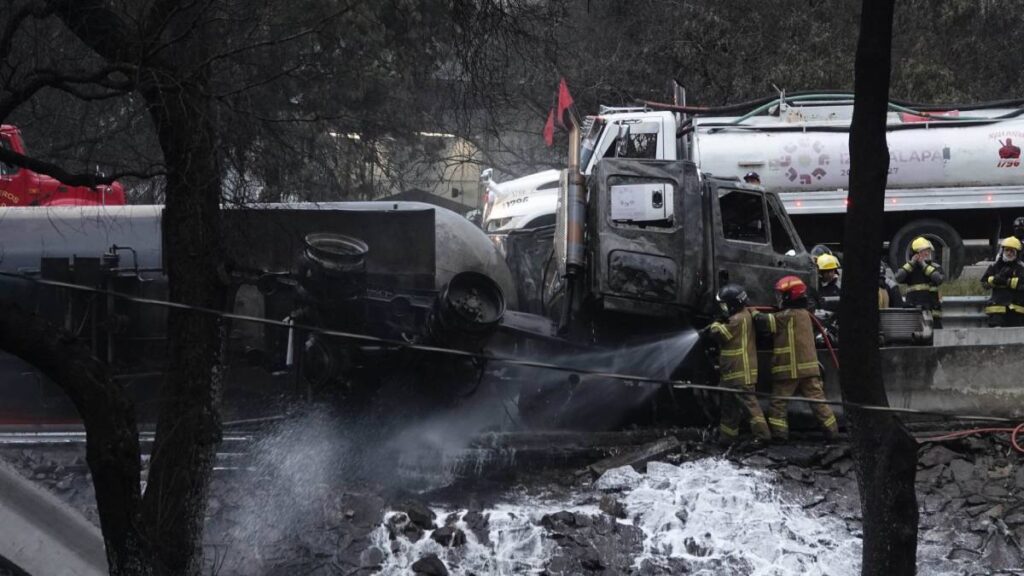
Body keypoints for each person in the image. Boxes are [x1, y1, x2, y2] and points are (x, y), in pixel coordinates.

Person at [760, 276, 839, 441]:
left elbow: (766, 322)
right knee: (818, 402)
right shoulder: (805, 314)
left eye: (782, 295)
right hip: (809, 368)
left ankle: (780, 436)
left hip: (789, 369)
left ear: (790, 296)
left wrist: (751, 313)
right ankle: (833, 433)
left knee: (778, 404)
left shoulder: (785, 316)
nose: (779, 298)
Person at [702, 284, 771, 446]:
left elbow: (720, 334)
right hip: (731, 374)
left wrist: (714, 325)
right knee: (729, 409)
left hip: (741, 372)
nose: (724, 308)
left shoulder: (738, 319)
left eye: (725, 305)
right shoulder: (744, 315)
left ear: (734, 304)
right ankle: (727, 438)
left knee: (750, 406)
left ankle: (763, 436)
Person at [894, 237, 944, 328]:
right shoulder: (909, 268)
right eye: (925, 250)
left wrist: (924, 265)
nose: (928, 253)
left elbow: (939, 279)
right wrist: (911, 263)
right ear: (917, 253)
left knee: (934, 338)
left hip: (933, 312)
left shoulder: (935, 267)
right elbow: (898, 278)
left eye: (928, 250)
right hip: (914, 311)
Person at [981, 236, 1024, 327]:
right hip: (997, 311)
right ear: (1002, 251)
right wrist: (994, 280)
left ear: (1017, 253)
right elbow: (984, 283)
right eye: (1007, 250)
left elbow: (1022, 284)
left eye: (1012, 251)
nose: (1009, 253)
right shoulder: (995, 267)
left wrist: (1007, 282)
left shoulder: (1021, 268)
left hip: (1017, 311)